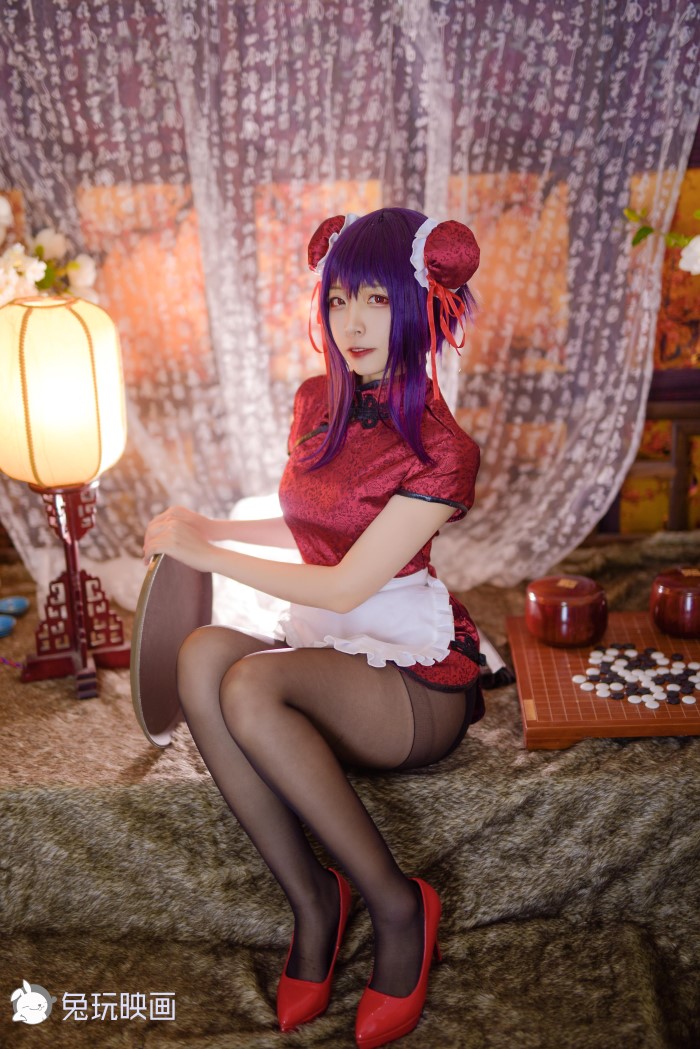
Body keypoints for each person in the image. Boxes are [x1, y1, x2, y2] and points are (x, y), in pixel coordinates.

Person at [142, 206, 484, 1049]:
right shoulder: (314, 403)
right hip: (330, 658)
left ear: (419, 304)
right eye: (337, 300)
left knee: (253, 682)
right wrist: (208, 527)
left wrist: (210, 554)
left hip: (411, 685)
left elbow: (345, 582)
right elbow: (311, 524)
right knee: (201, 657)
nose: (351, 323)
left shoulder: (442, 446)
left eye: (376, 299)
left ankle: (399, 905)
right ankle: (314, 898)